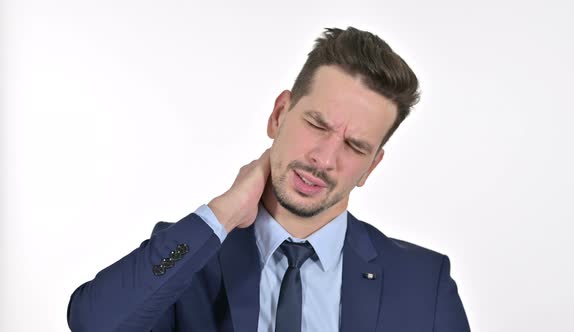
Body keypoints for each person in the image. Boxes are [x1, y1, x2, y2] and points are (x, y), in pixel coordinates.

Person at [67, 26, 470, 332]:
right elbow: (93, 322)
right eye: (316, 124)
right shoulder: (192, 255)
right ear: (279, 114)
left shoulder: (423, 282)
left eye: (355, 146)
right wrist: (222, 213)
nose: (324, 159)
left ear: (372, 166)